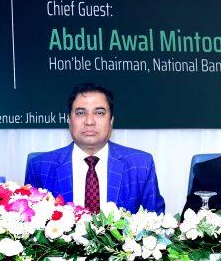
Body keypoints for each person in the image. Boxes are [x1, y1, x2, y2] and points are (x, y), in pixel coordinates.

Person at [25, 83, 165, 213]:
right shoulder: (40, 167)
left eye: (99, 113)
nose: (89, 121)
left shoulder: (141, 165)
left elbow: (156, 223)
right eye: (81, 113)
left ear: (111, 120)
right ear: (69, 120)